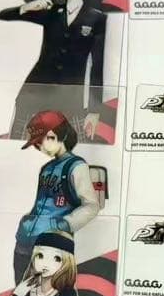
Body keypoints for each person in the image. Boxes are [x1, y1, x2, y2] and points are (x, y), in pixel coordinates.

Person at [0, 0, 107, 141]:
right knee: (18, 140)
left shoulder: (97, 18)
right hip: (35, 90)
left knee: (71, 145)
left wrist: (95, 110)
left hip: (70, 95)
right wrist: (27, 7)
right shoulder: (51, 11)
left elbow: (98, 65)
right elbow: (2, 15)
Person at [13, 111, 100, 283]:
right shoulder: (46, 168)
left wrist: (64, 224)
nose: (40, 148)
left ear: (57, 135)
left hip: (52, 247)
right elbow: (40, 205)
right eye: (37, 144)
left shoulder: (76, 166)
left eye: (42, 141)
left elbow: (91, 205)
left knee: (47, 294)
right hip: (24, 243)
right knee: (21, 292)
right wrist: (26, 222)